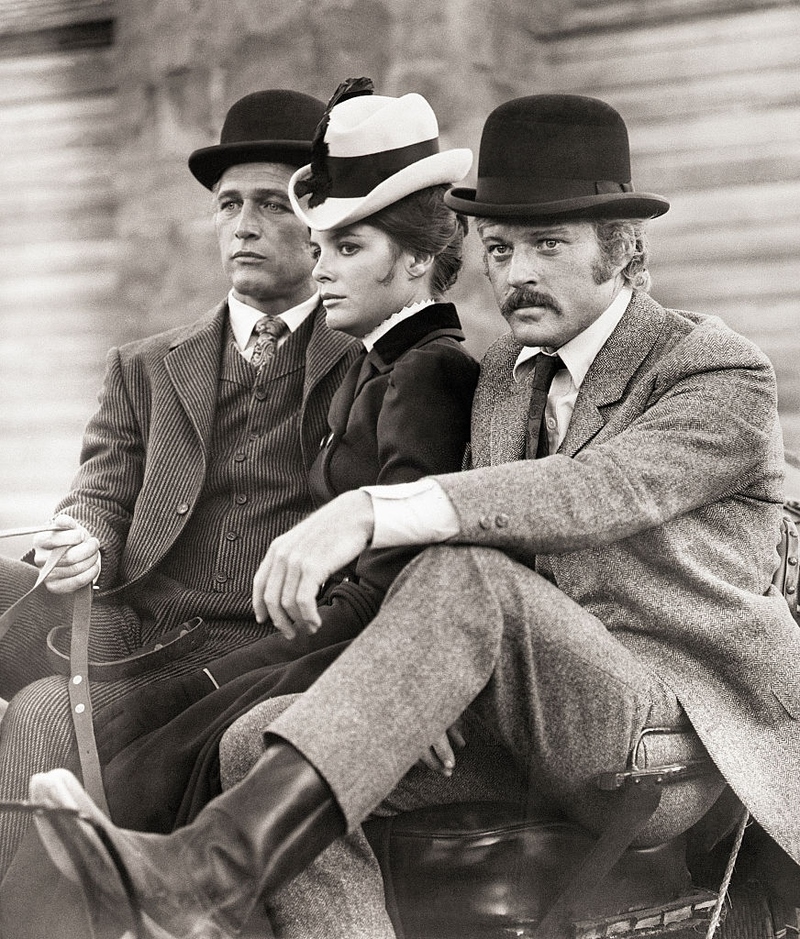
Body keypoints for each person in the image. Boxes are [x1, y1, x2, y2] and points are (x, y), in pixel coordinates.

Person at [29, 93, 800, 939]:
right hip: (524, 710)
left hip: (665, 728)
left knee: (463, 566)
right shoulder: (507, 373)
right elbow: (469, 584)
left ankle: (203, 875)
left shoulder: (714, 369)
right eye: (499, 249)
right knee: (261, 738)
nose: (516, 274)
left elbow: (594, 493)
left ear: (622, 251)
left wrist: (370, 509)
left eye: (548, 244)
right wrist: (407, 685)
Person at [80, 81, 478, 836]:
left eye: (347, 247)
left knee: (145, 758)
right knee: (105, 732)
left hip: (314, 642)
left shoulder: (417, 369)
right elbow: (101, 494)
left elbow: (408, 574)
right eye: (229, 205)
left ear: (419, 256)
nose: (323, 269)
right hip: (207, 626)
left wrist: (408, 687)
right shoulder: (375, 363)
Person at [0, 87, 362, 875]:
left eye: (273, 203)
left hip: (260, 647)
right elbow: (99, 489)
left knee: (40, 716)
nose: (244, 224)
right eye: (229, 204)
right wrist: (83, 540)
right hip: (136, 621)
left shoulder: (365, 358)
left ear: (323, 220)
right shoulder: (146, 364)